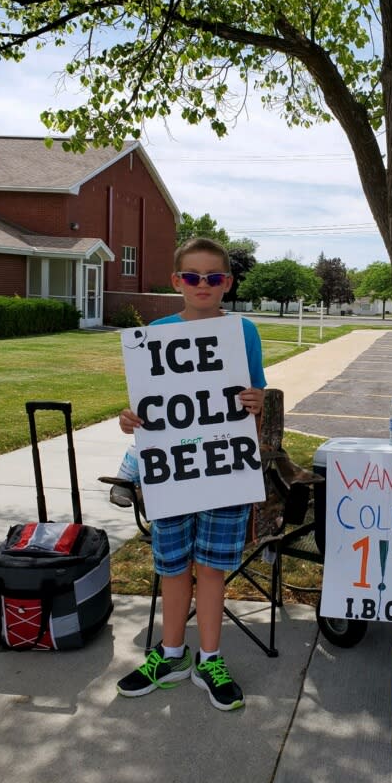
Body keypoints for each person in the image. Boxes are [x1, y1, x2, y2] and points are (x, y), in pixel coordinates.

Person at [115, 237, 266, 710]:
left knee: (212, 569)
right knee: (174, 568)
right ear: (177, 280)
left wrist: (259, 402)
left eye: (215, 278)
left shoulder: (243, 332)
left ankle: (210, 658)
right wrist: (129, 419)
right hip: (174, 474)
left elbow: (253, 399)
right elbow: (146, 406)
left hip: (223, 472)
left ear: (228, 283)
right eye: (194, 277)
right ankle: (173, 653)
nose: (204, 286)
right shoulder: (156, 332)